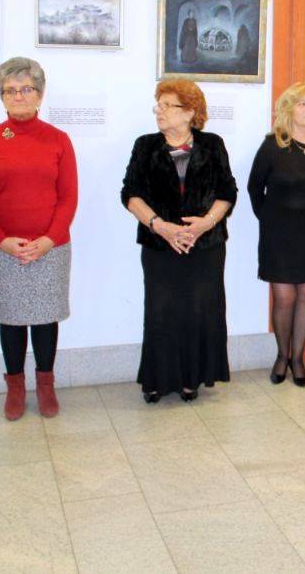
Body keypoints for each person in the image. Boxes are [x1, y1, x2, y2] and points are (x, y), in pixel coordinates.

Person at [0, 57, 78, 420]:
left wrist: (49, 239)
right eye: (10, 90)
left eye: (26, 89)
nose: (18, 96)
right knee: (11, 319)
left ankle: (46, 385)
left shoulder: (59, 140)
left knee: (45, 319)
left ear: (40, 94)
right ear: (2, 96)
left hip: (50, 248)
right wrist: (1, 240)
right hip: (2, 250)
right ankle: (14, 387)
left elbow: (68, 198)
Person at [121, 79, 237, 402]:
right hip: (160, 245)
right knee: (161, 311)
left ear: (189, 112)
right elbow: (130, 194)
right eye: (158, 105)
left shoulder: (212, 144)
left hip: (205, 246)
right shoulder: (145, 146)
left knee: (199, 311)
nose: (159, 111)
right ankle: (157, 380)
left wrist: (204, 224)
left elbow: (228, 191)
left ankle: (192, 378)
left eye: (167, 106)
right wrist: (161, 227)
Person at [248, 82, 305, 387]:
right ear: (289, 109)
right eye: (302, 103)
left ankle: (298, 358)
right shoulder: (272, 146)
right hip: (279, 231)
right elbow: (254, 187)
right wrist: (269, 218)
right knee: (284, 296)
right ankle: (281, 355)